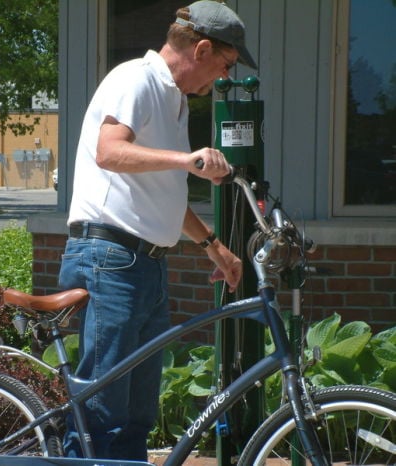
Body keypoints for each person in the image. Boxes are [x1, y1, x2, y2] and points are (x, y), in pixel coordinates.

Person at [58, 0, 256, 461]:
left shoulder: (175, 100)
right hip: (109, 259)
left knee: (138, 414)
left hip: (143, 265)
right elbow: (109, 152)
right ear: (202, 49)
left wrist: (214, 248)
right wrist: (186, 161)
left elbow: (162, 190)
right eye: (225, 65)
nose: (223, 78)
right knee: (103, 413)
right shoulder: (136, 79)